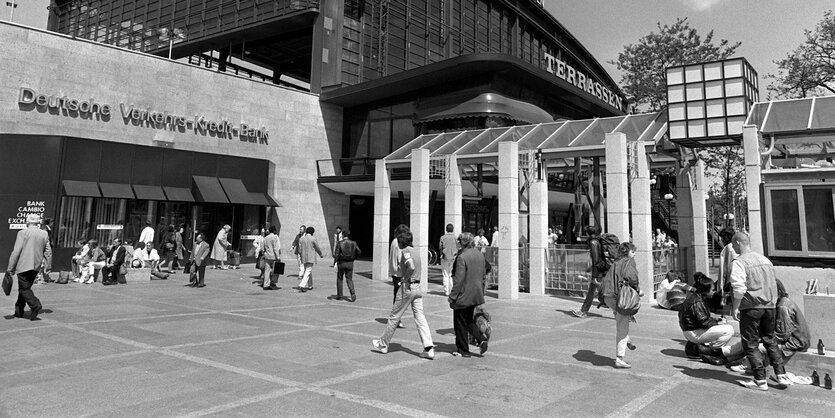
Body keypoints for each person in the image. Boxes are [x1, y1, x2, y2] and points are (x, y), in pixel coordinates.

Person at [730, 232, 790, 390]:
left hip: (751, 307)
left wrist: (735, 307)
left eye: (733, 244)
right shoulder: (765, 260)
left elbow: (739, 288)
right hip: (769, 306)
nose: (733, 248)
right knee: (771, 340)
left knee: (751, 343)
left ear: (738, 243)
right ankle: (781, 375)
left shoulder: (740, 262)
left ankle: (760, 380)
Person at [372, 231, 435, 359]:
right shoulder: (416, 251)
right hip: (418, 287)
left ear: (402, 242)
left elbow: (410, 266)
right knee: (420, 316)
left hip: (408, 287)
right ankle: (428, 348)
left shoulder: (406, 251)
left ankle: (383, 344)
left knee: (395, 315)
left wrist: (404, 279)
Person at [679, 273, 740, 364]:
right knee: (729, 330)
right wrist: (718, 323)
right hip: (693, 332)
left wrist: (716, 321)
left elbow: (702, 318)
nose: (714, 292)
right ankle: (713, 352)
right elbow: (703, 322)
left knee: (723, 327)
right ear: (705, 291)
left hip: (691, 330)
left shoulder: (696, 298)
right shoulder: (697, 302)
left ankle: (701, 347)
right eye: (712, 290)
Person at [449, 232, 490, 356]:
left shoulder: (462, 257)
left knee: (460, 322)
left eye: (459, 240)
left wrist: (452, 296)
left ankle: (463, 350)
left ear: (464, 242)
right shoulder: (479, 255)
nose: (458, 242)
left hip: (463, 294)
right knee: (468, 320)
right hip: (475, 294)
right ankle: (481, 339)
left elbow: (458, 279)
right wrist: (481, 291)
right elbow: (483, 275)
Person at [600, 242, 639, 368]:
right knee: (622, 326)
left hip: (608, 296)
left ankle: (627, 339)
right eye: (633, 252)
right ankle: (620, 358)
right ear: (627, 252)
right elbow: (632, 277)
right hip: (618, 297)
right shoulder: (629, 262)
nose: (634, 254)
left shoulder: (616, 262)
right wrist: (637, 289)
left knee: (620, 319)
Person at [6, 214, 52, 321]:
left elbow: (16, 251)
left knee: (24, 289)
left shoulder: (23, 233)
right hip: (36, 265)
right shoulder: (44, 233)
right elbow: (48, 252)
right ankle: (19, 311)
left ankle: (35, 304)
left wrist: (10, 267)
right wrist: (48, 266)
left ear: (28, 222)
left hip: (23, 265)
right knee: (24, 288)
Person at [572, 225, 607, 318]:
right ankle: (625, 312)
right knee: (606, 291)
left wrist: (594, 275)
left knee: (592, 291)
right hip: (603, 268)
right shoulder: (598, 240)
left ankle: (583, 311)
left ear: (588, 233)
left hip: (598, 271)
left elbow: (596, 259)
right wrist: (590, 268)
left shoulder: (593, 242)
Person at [389, 224, 410, 329]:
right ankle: (396, 319)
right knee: (399, 297)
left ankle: (396, 317)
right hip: (399, 273)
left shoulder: (394, 241)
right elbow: (399, 258)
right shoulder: (398, 243)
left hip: (395, 273)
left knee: (398, 295)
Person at [333, 229, 361, 301]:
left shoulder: (340, 243)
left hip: (341, 263)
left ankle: (340, 295)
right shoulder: (354, 243)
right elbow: (359, 252)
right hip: (350, 263)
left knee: (340, 278)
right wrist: (354, 258)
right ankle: (352, 292)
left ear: (343, 235)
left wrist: (335, 262)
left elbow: (336, 254)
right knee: (349, 278)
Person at [297, 226, 323, 292]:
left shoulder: (301, 239)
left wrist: (301, 255)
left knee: (308, 271)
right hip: (311, 257)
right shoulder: (313, 239)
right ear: (312, 233)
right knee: (308, 271)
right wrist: (320, 254)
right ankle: (302, 285)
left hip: (303, 257)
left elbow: (299, 249)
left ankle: (310, 285)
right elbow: (317, 248)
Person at [438, 223, 458, 296]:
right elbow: (458, 247)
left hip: (444, 257)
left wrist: (441, 255)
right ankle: (452, 290)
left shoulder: (443, 237)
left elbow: (440, 247)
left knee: (445, 274)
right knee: (451, 274)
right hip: (453, 257)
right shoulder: (455, 238)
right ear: (453, 229)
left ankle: (446, 291)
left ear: (446, 229)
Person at [261, 226, 282, 291]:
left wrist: (264, 253)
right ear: (274, 231)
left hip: (267, 256)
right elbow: (275, 248)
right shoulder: (275, 237)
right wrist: (278, 257)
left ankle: (266, 284)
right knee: (276, 270)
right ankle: (273, 282)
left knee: (267, 271)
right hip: (274, 257)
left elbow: (262, 248)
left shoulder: (266, 238)